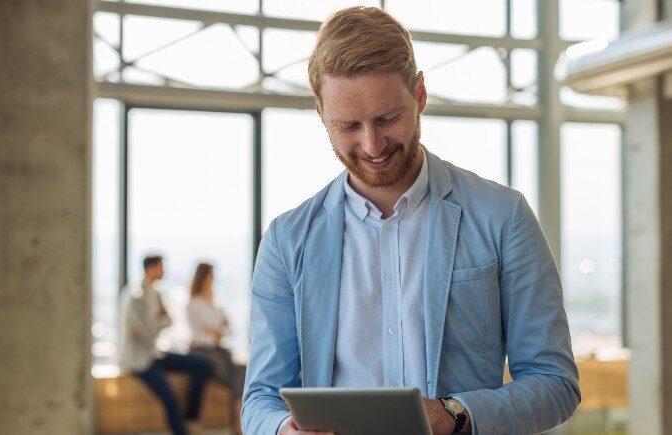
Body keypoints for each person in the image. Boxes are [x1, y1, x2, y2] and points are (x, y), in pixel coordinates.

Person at [241, 6, 580, 435]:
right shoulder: (287, 241)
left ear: (419, 95)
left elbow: (556, 383)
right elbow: (261, 399)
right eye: (349, 125)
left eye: (388, 118)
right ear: (321, 113)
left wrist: (458, 414)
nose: (372, 144)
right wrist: (279, 430)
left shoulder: (502, 216)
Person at [119, 255, 213, 435]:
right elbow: (142, 332)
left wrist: (155, 324)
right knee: (170, 398)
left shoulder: (155, 293)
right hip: (140, 361)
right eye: (162, 267)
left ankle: (191, 419)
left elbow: (166, 321)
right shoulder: (134, 296)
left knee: (203, 365)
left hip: (155, 354)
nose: (164, 271)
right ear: (152, 268)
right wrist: (157, 323)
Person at [186, 263, 247, 433]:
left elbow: (226, 330)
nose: (213, 280)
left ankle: (237, 419)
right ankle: (237, 420)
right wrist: (214, 332)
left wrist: (215, 331)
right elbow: (200, 335)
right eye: (210, 276)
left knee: (242, 370)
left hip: (219, 350)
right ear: (203, 277)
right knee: (233, 376)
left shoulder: (215, 303)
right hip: (203, 351)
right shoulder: (194, 303)